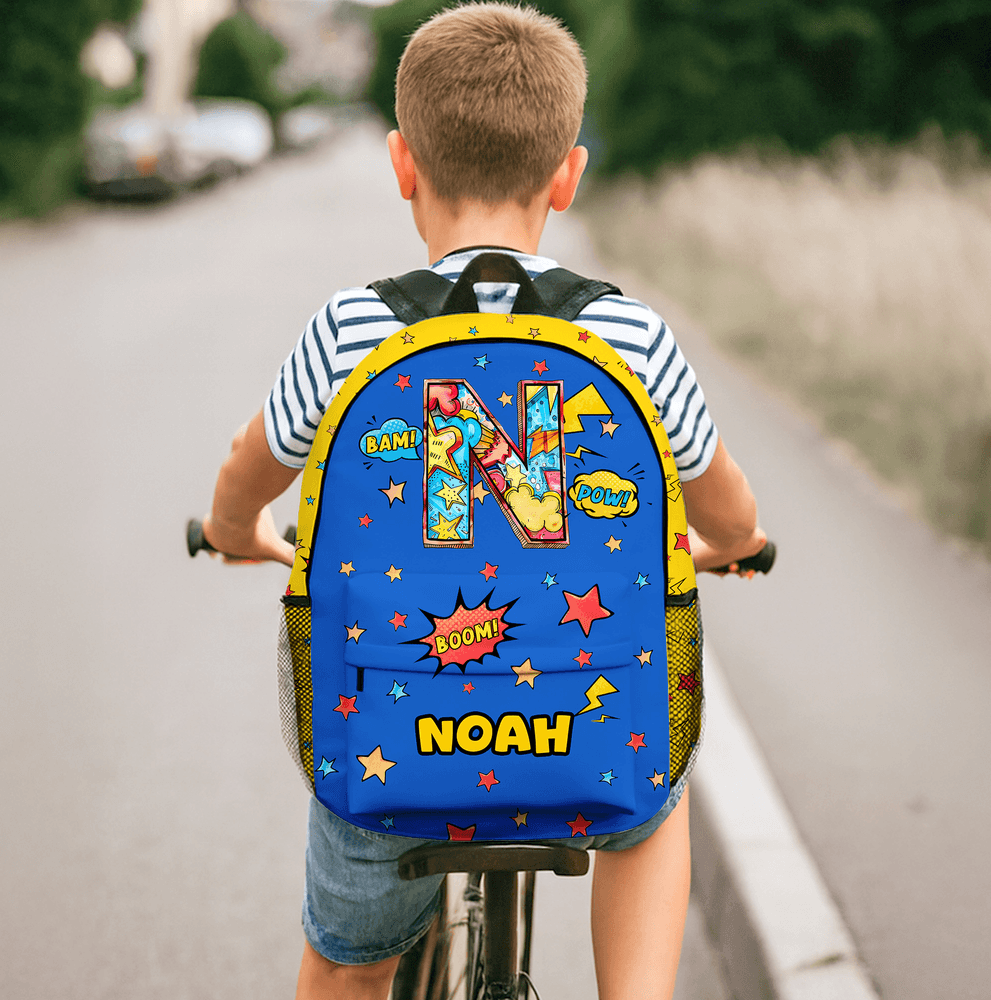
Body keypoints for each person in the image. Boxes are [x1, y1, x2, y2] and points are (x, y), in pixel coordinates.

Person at [202, 5, 766, 998]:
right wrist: (739, 540)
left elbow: (253, 462)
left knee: (345, 964)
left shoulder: (350, 330)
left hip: (392, 750)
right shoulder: (628, 335)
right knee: (654, 800)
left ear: (402, 164)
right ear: (567, 174)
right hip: (587, 733)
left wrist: (235, 529)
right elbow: (722, 504)